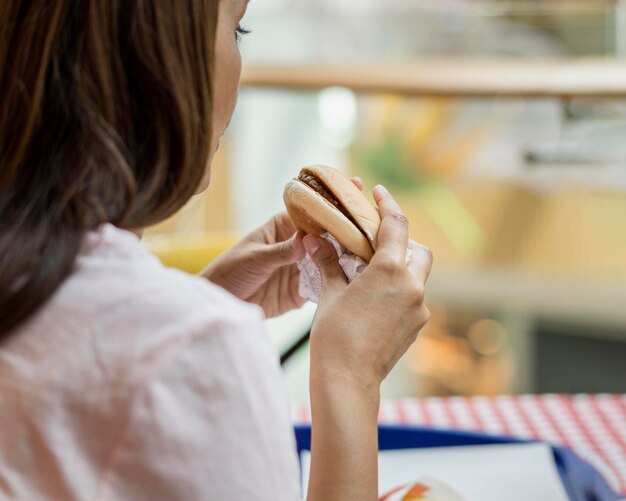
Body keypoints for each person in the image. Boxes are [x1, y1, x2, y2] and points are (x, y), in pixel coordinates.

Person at [0, 0, 432, 499]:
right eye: (238, 29)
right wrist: (350, 378)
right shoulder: (203, 347)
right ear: (158, 58)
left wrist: (204, 297)